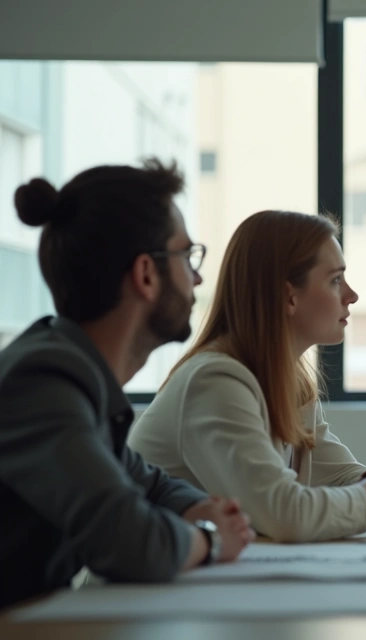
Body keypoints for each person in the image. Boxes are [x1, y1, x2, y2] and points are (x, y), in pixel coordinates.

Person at [0, 160, 254, 610]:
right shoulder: (42, 384)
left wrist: (201, 511)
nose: (197, 278)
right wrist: (210, 538)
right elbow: (133, 543)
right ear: (146, 274)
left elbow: (150, 484)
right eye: (187, 256)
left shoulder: (77, 376)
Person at [129, 210, 366, 542]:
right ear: (289, 296)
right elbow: (284, 515)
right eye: (335, 280)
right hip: (144, 591)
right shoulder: (214, 382)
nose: (351, 295)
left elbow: (334, 475)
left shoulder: (291, 383)